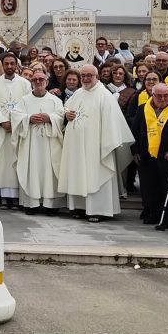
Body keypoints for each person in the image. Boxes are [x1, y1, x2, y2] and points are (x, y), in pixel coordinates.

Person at [58, 65, 135, 222]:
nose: (85, 79)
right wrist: (67, 114)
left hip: (97, 146)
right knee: (78, 173)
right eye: (83, 76)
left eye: (89, 76)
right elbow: (65, 109)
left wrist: (106, 143)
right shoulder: (78, 93)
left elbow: (112, 122)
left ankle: (98, 210)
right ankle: (79, 207)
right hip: (77, 146)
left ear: (97, 76)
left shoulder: (104, 95)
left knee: (96, 175)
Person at [131, 83, 168, 229]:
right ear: (152, 95)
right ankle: (153, 213)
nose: (163, 99)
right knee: (149, 187)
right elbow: (134, 131)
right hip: (146, 157)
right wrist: (135, 151)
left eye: (166, 96)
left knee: (166, 188)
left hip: (167, 157)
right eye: (159, 96)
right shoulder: (142, 109)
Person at [12, 71, 65, 213]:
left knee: (50, 171)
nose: (38, 82)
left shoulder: (55, 100)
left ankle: (50, 205)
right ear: (32, 83)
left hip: (50, 142)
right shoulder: (24, 100)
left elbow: (61, 116)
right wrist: (28, 118)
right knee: (31, 169)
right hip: (30, 143)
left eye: (41, 79)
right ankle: (31, 204)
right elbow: (15, 116)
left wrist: (50, 118)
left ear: (46, 82)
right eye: (35, 79)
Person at [0, 52, 31, 209]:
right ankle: (3, 197)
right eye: (6, 64)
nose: (9, 66)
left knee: (15, 162)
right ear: (2, 65)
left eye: (12, 63)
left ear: (17, 65)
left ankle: (16, 197)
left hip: (17, 131)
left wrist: (16, 123)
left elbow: (28, 104)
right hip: (0, 130)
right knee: (1, 163)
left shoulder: (25, 84)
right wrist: (2, 121)